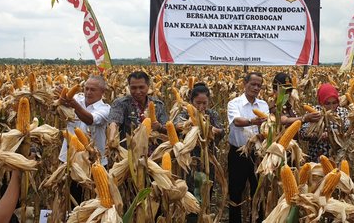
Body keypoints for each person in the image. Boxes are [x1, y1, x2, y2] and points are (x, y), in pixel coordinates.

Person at [173, 83, 224, 223]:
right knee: (190, 195)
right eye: (198, 103)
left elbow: (221, 130)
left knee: (206, 193)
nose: (201, 107)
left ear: (209, 101)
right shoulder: (184, 114)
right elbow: (176, 125)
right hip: (189, 162)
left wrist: (209, 128)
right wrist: (190, 124)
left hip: (209, 161)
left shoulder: (212, 114)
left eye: (204, 103)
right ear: (191, 101)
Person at [227, 72, 268, 223]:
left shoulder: (263, 105)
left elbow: (267, 127)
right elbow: (237, 122)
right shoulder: (234, 103)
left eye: (259, 85)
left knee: (258, 191)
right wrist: (253, 121)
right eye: (253, 84)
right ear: (244, 84)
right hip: (238, 154)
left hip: (258, 154)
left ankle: (257, 219)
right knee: (235, 192)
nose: (256, 88)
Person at [59, 75, 110, 166]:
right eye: (86, 89)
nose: (88, 92)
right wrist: (60, 99)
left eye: (93, 90)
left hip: (93, 161)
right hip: (68, 159)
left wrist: (74, 105)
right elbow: (58, 106)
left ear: (102, 92)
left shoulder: (105, 109)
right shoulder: (77, 98)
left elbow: (90, 120)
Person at [108, 71, 168, 147]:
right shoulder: (120, 103)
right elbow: (114, 122)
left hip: (153, 154)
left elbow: (167, 129)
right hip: (128, 154)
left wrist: (159, 127)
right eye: (133, 88)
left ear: (148, 86)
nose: (138, 91)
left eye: (141, 87)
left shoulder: (158, 105)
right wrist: (112, 138)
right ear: (129, 87)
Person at [299, 83, 349, 163]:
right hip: (317, 158)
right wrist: (317, 135)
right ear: (321, 102)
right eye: (327, 103)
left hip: (338, 157)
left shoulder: (343, 112)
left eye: (334, 103)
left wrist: (336, 135)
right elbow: (302, 134)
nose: (331, 106)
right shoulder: (314, 112)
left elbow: (349, 131)